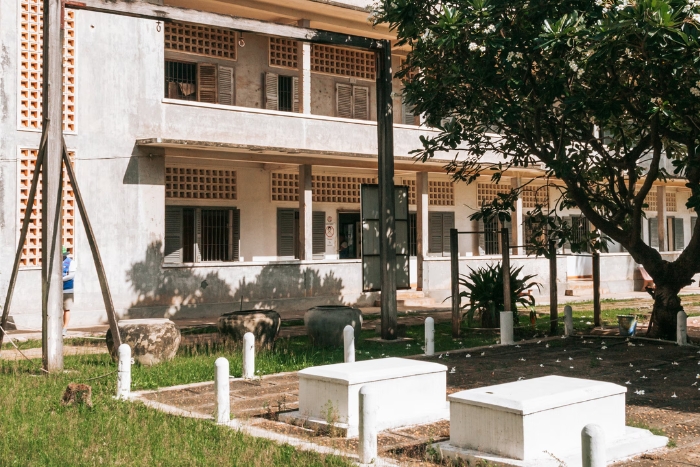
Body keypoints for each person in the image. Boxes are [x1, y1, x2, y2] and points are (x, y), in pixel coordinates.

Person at [62, 246, 76, 337]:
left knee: (66, 308)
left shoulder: (70, 262)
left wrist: (60, 279)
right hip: (55, 290)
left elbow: (71, 275)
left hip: (67, 289)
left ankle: (65, 328)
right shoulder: (55, 261)